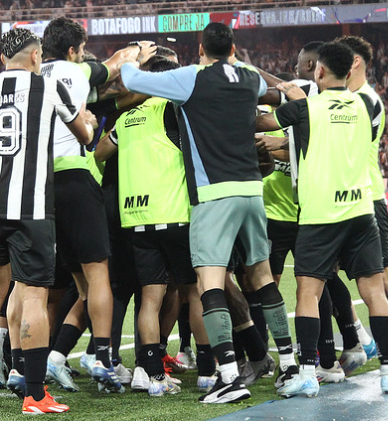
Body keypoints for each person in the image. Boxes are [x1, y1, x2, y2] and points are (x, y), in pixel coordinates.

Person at [120, 22, 296, 404]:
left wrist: (135, 55)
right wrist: (285, 90)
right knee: (263, 279)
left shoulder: (190, 78)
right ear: (233, 49)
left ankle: (229, 377)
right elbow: (284, 99)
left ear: (201, 50)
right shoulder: (249, 78)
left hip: (214, 195)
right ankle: (291, 367)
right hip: (252, 190)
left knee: (209, 285)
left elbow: (131, 79)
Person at [258, 41, 388, 397]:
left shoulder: (305, 108)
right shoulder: (368, 104)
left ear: (319, 71)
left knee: (308, 291)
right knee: (373, 292)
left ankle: (307, 373)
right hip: (359, 212)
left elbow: (260, 123)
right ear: (350, 70)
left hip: (320, 215)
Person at [0, 27, 89, 414]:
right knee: (34, 296)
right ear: (37, 57)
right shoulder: (48, 87)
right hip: (31, 209)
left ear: (3, 60)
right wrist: (88, 119)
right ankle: (35, 394)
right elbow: (84, 136)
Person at [38, 17, 155, 393]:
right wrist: (139, 52)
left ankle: (30, 363)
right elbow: (117, 62)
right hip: (75, 177)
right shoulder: (76, 70)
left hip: (38, 186)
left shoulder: (31, 75)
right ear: (73, 50)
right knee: (99, 275)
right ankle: (102, 356)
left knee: (55, 282)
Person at [96, 57, 218, 397]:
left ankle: (153, 376)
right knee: (194, 292)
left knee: (149, 299)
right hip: (175, 213)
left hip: (136, 219)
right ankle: (208, 371)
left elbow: (100, 152)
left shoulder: (128, 117)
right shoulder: (173, 109)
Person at [337, 35, 388, 373]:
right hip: (340, 199)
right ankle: (362, 338)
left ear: (354, 62)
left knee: (385, 278)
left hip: (367, 200)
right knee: (322, 275)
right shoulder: (347, 98)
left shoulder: (366, 100)